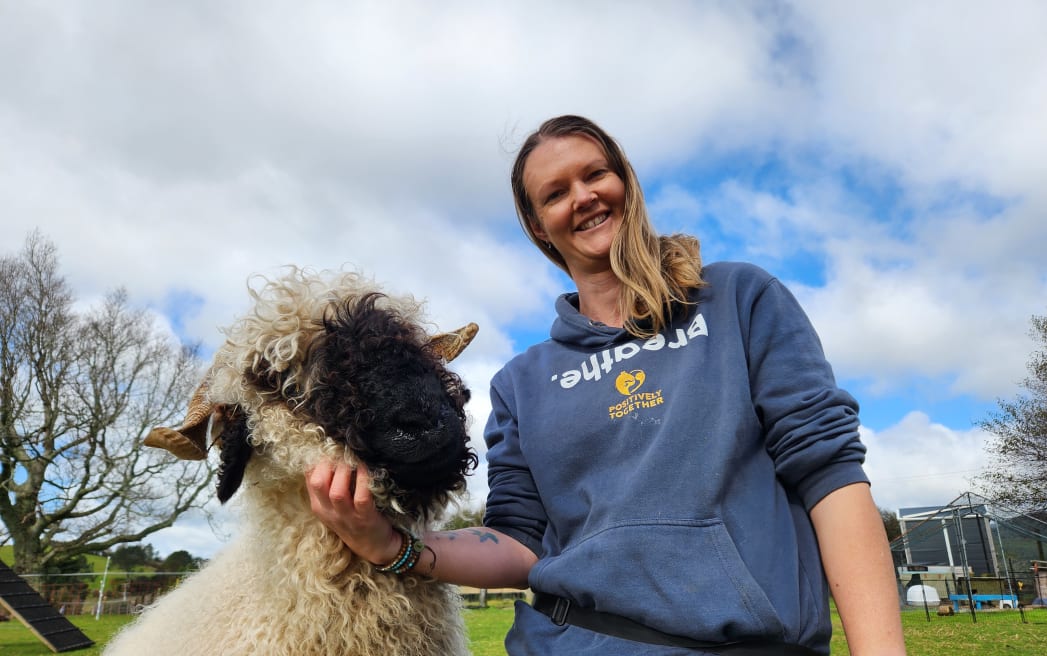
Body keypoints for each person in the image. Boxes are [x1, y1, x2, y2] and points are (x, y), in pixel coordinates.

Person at [307, 115, 906, 655]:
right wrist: (395, 546)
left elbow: (828, 473)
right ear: (539, 226)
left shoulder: (738, 300)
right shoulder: (522, 381)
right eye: (555, 193)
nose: (583, 197)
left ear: (626, 181)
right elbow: (518, 541)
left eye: (595, 174)